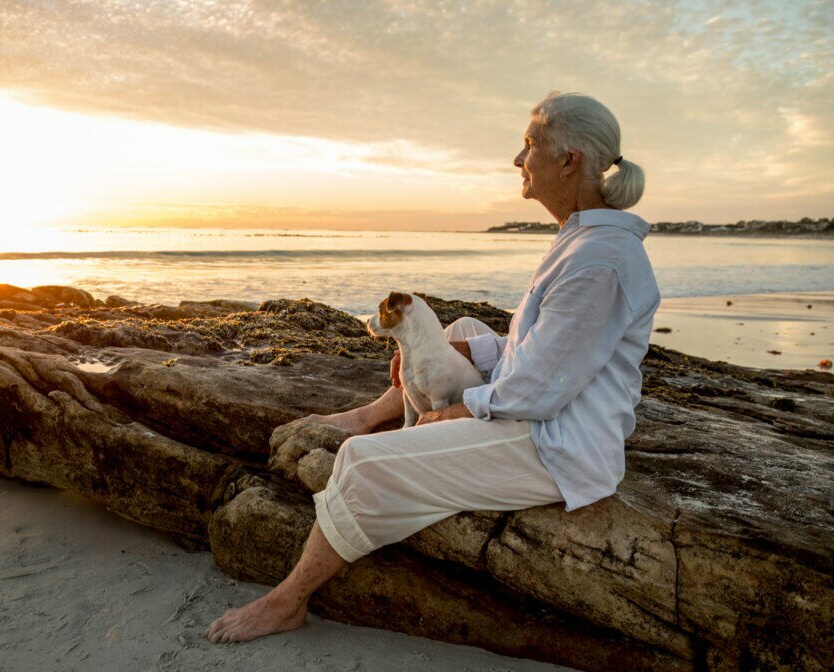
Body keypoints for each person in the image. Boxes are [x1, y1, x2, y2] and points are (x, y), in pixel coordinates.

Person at [205, 91, 660, 644]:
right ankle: (372, 412)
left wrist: (455, 412)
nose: (518, 160)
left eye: (530, 145)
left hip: (557, 445)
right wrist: (476, 355)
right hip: (546, 407)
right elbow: (543, 349)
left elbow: (540, 388)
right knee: (461, 331)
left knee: (361, 462)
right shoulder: (582, 239)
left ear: (570, 161)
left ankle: (288, 601)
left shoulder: (600, 260)